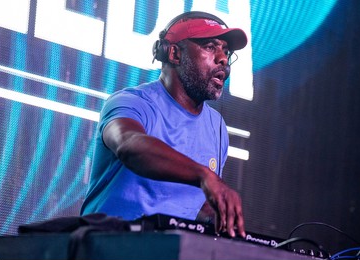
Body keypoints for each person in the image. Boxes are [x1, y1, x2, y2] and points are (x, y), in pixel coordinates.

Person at [80, 11, 248, 238]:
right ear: (174, 53)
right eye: (210, 47)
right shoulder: (131, 102)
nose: (223, 59)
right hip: (106, 250)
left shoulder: (217, 128)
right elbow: (129, 145)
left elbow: (186, 205)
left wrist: (216, 212)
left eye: (226, 52)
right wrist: (204, 176)